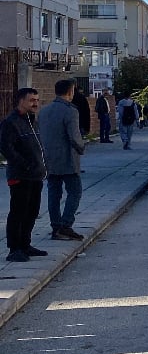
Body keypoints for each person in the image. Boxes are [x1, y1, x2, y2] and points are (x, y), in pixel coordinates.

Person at [2, 88, 48, 262]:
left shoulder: (33, 121)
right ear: (21, 101)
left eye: (37, 100)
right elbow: (7, 148)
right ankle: (14, 249)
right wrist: (25, 164)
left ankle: (25, 244)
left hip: (36, 174)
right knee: (18, 211)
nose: (35, 103)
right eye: (31, 100)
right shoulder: (11, 122)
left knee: (32, 210)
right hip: (20, 175)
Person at [38, 79, 87, 242]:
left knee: (54, 193)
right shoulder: (70, 111)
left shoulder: (44, 111)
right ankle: (66, 225)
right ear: (70, 91)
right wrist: (81, 147)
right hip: (68, 159)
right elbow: (74, 136)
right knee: (75, 191)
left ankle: (55, 226)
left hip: (49, 159)